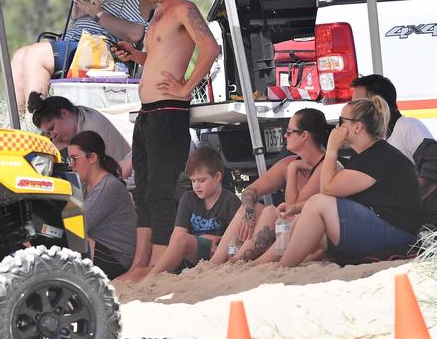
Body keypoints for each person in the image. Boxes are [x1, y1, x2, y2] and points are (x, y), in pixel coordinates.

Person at [114, 0, 219, 270]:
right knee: (143, 191)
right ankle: (141, 263)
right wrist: (135, 54)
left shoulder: (184, 9)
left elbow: (210, 47)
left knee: (160, 191)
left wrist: (187, 87)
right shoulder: (159, 13)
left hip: (169, 111)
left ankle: (162, 264)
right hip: (148, 112)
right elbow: (160, 59)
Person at [278, 96, 423, 267]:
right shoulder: (367, 155)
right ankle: (263, 262)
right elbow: (340, 195)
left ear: (357, 126)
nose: (337, 127)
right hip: (386, 230)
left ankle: (283, 266)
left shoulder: (379, 157)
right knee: (303, 220)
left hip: (397, 237)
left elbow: (326, 189)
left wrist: (332, 148)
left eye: (342, 121)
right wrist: (295, 209)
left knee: (318, 203)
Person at [211, 107, 340, 264]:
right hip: (284, 233)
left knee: (274, 213)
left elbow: (293, 206)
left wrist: (292, 171)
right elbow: (251, 190)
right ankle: (217, 262)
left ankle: (239, 260)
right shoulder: (289, 161)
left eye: (290, 131)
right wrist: (249, 210)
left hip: (310, 239)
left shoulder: (325, 165)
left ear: (304, 136)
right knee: (252, 208)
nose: (285, 135)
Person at [10, 0, 151, 111]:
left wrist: (97, 14)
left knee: (36, 54)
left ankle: (35, 121)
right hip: (77, 43)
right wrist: (77, 15)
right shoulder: (114, 0)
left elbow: (135, 33)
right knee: (20, 55)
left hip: (96, 51)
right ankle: (17, 121)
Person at [350, 74, 437, 226]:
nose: (352, 111)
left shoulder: (407, 126)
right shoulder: (372, 140)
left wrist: (409, 200)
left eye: (357, 104)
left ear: (377, 103)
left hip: (431, 225)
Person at [147, 147, 240, 276]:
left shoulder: (230, 201)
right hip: (192, 253)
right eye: (193, 180)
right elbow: (177, 234)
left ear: (218, 177)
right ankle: (154, 274)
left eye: (201, 180)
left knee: (182, 239)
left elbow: (238, 236)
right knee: (179, 238)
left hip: (219, 251)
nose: (196, 185)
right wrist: (200, 239)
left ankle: (152, 277)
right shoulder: (188, 198)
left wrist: (218, 238)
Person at [67, 131, 137, 278]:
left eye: (74, 159)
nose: (71, 165)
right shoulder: (89, 186)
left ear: (92, 157)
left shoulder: (107, 187)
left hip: (116, 259)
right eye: (69, 159)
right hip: (103, 252)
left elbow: (77, 225)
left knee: (69, 236)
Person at [28, 92, 132, 176]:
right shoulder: (79, 115)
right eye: (48, 133)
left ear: (64, 113)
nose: (53, 136)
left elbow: (89, 183)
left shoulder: (91, 129)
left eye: (52, 128)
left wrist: (62, 149)